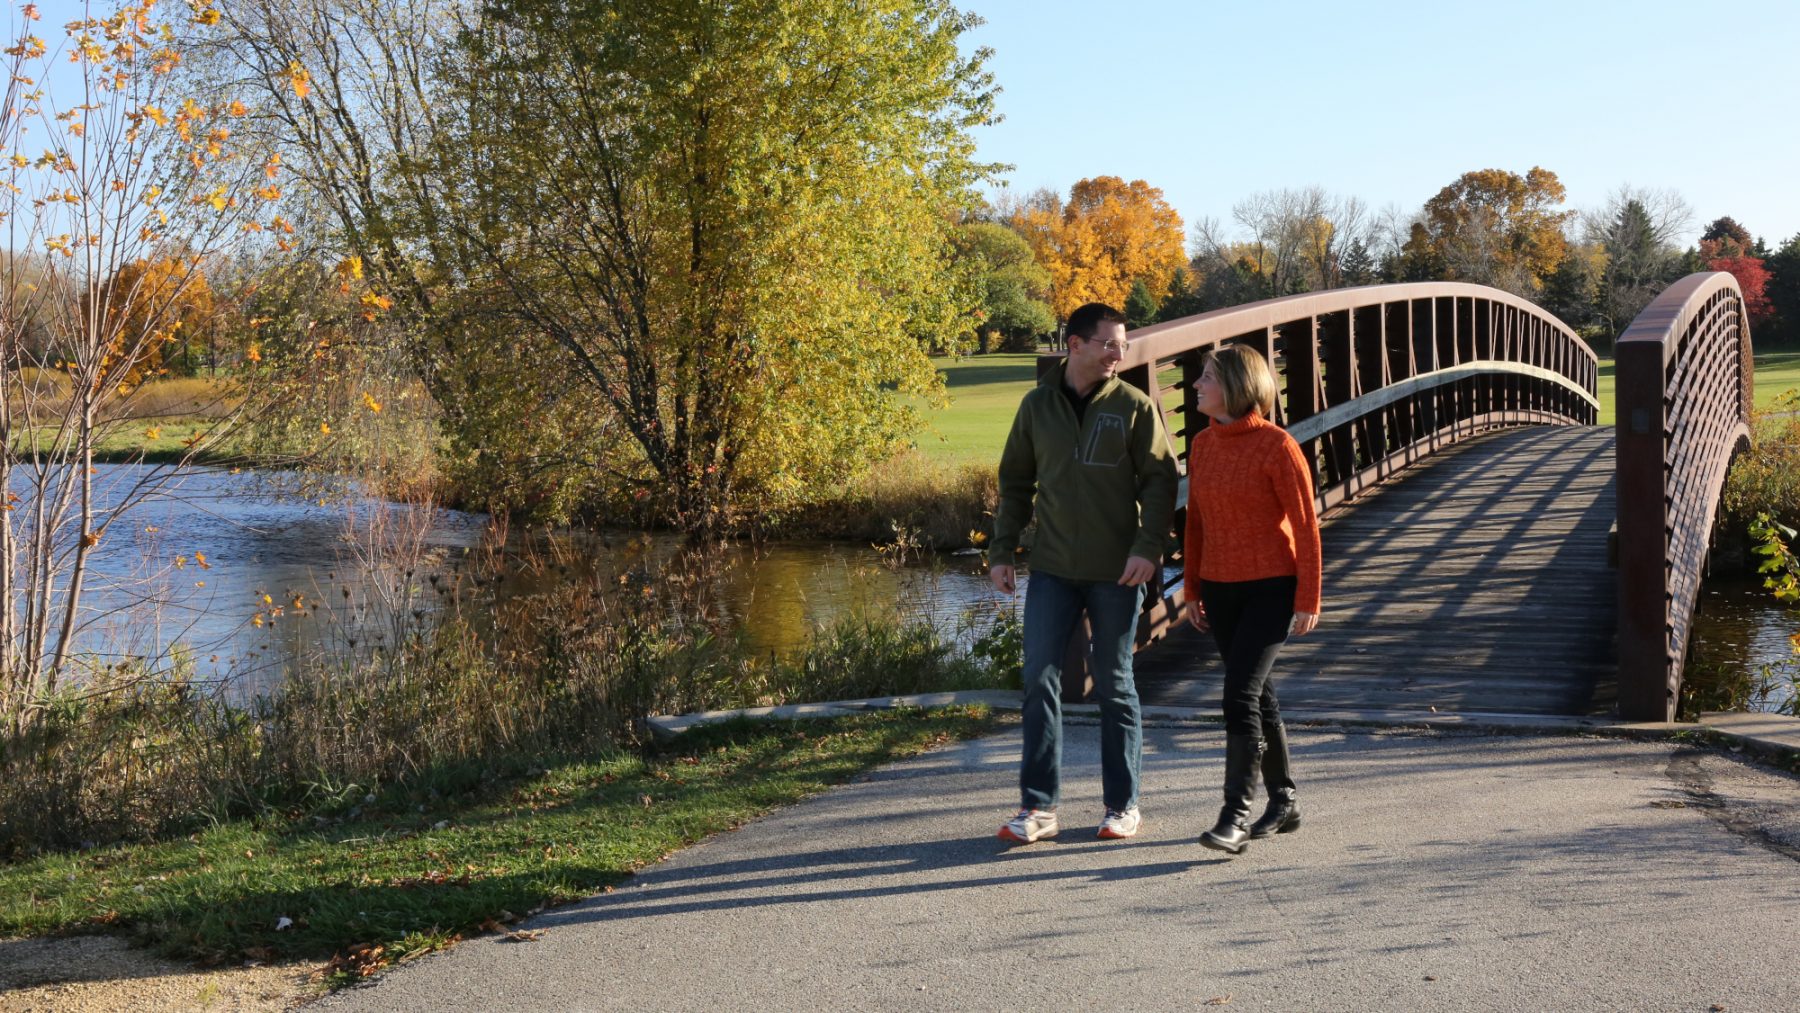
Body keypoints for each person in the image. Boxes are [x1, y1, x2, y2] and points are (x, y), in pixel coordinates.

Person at [989, 302, 1179, 844]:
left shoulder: (1136, 407)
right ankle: (1039, 808)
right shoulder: (1036, 406)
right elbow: (1015, 483)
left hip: (1116, 572)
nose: (1120, 353)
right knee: (1038, 682)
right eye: (1109, 344)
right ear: (1075, 345)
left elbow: (1161, 485)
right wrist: (1002, 551)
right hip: (1051, 568)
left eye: (1124, 344)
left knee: (1116, 684)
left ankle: (1123, 806)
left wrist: (1147, 548)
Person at [1182, 343, 1322, 855]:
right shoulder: (1202, 445)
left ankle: (1234, 815)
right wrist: (1192, 587)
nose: (1196, 384)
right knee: (1257, 694)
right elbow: (1195, 522)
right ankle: (1284, 800)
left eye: (1208, 377)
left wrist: (1308, 595)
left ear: (1238, 385)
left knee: (1239, 694)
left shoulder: (1277, 446)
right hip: (1219, 588)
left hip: (1271, 588)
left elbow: (1306, 527)